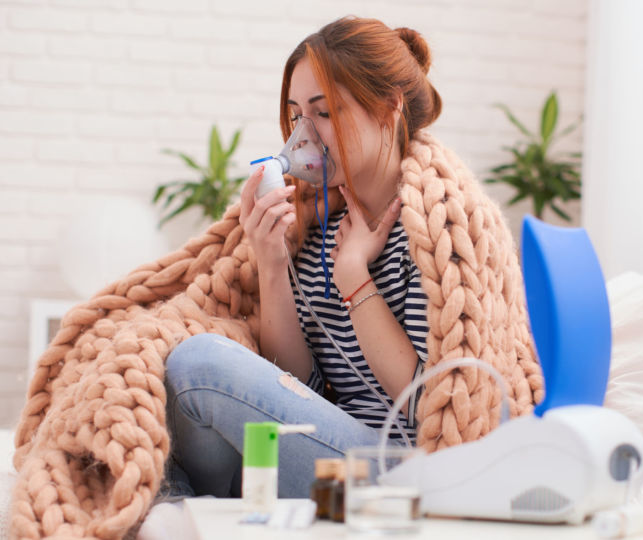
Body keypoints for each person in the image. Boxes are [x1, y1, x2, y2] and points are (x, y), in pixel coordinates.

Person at [162, 15, 447, 499]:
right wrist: (272, 263)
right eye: (296, 115)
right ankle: (196, 507)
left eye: (325, 111)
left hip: (402, 471)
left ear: (388, 108)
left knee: (200, 364)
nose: (303, 135)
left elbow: (429, 403)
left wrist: (355, 278)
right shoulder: (318, 226)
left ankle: (182, 506)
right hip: (326, 453)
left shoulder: (433, 231)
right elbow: (301, 388)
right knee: (174, 383)